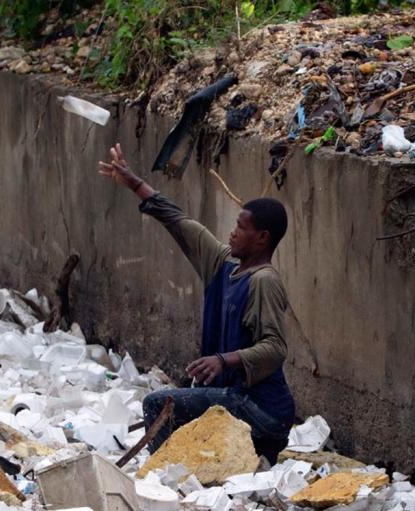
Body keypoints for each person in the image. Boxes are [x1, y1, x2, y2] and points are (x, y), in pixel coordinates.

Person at [98, 143, 295, 462]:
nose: (232, 234)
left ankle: (160, 482)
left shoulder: (264, 281)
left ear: (262, 238)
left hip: (260, 409)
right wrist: (134, 182)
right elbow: (179, 222)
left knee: (158, 406)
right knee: (182, 412)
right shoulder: (223, 264)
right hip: (233, 401)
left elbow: (275, 347)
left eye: (241, 229)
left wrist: (223, 360)